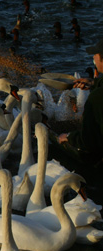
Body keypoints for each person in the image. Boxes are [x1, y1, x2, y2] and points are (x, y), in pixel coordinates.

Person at [56, 38, 103, 194]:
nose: (93, 59)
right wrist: (93, 82)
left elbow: (88, 141)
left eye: (95, 55)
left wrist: (69, 137)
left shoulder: (96, 99)